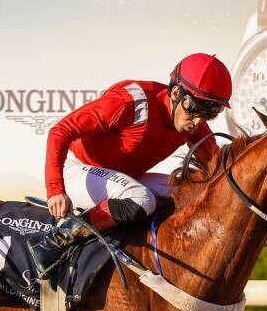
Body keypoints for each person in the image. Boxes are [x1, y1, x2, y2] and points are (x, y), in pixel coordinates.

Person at [28, 52, 232, 275]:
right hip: (80, 171)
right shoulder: (129, 102)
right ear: (175, 93)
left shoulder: (193, 122)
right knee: (142, 198)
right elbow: (61, 131)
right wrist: (56, 189)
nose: (199, 120)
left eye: (211, 113)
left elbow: (219, 166)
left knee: (191, 192)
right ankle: (55, 240)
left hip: (124, 179)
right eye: (194, 108)